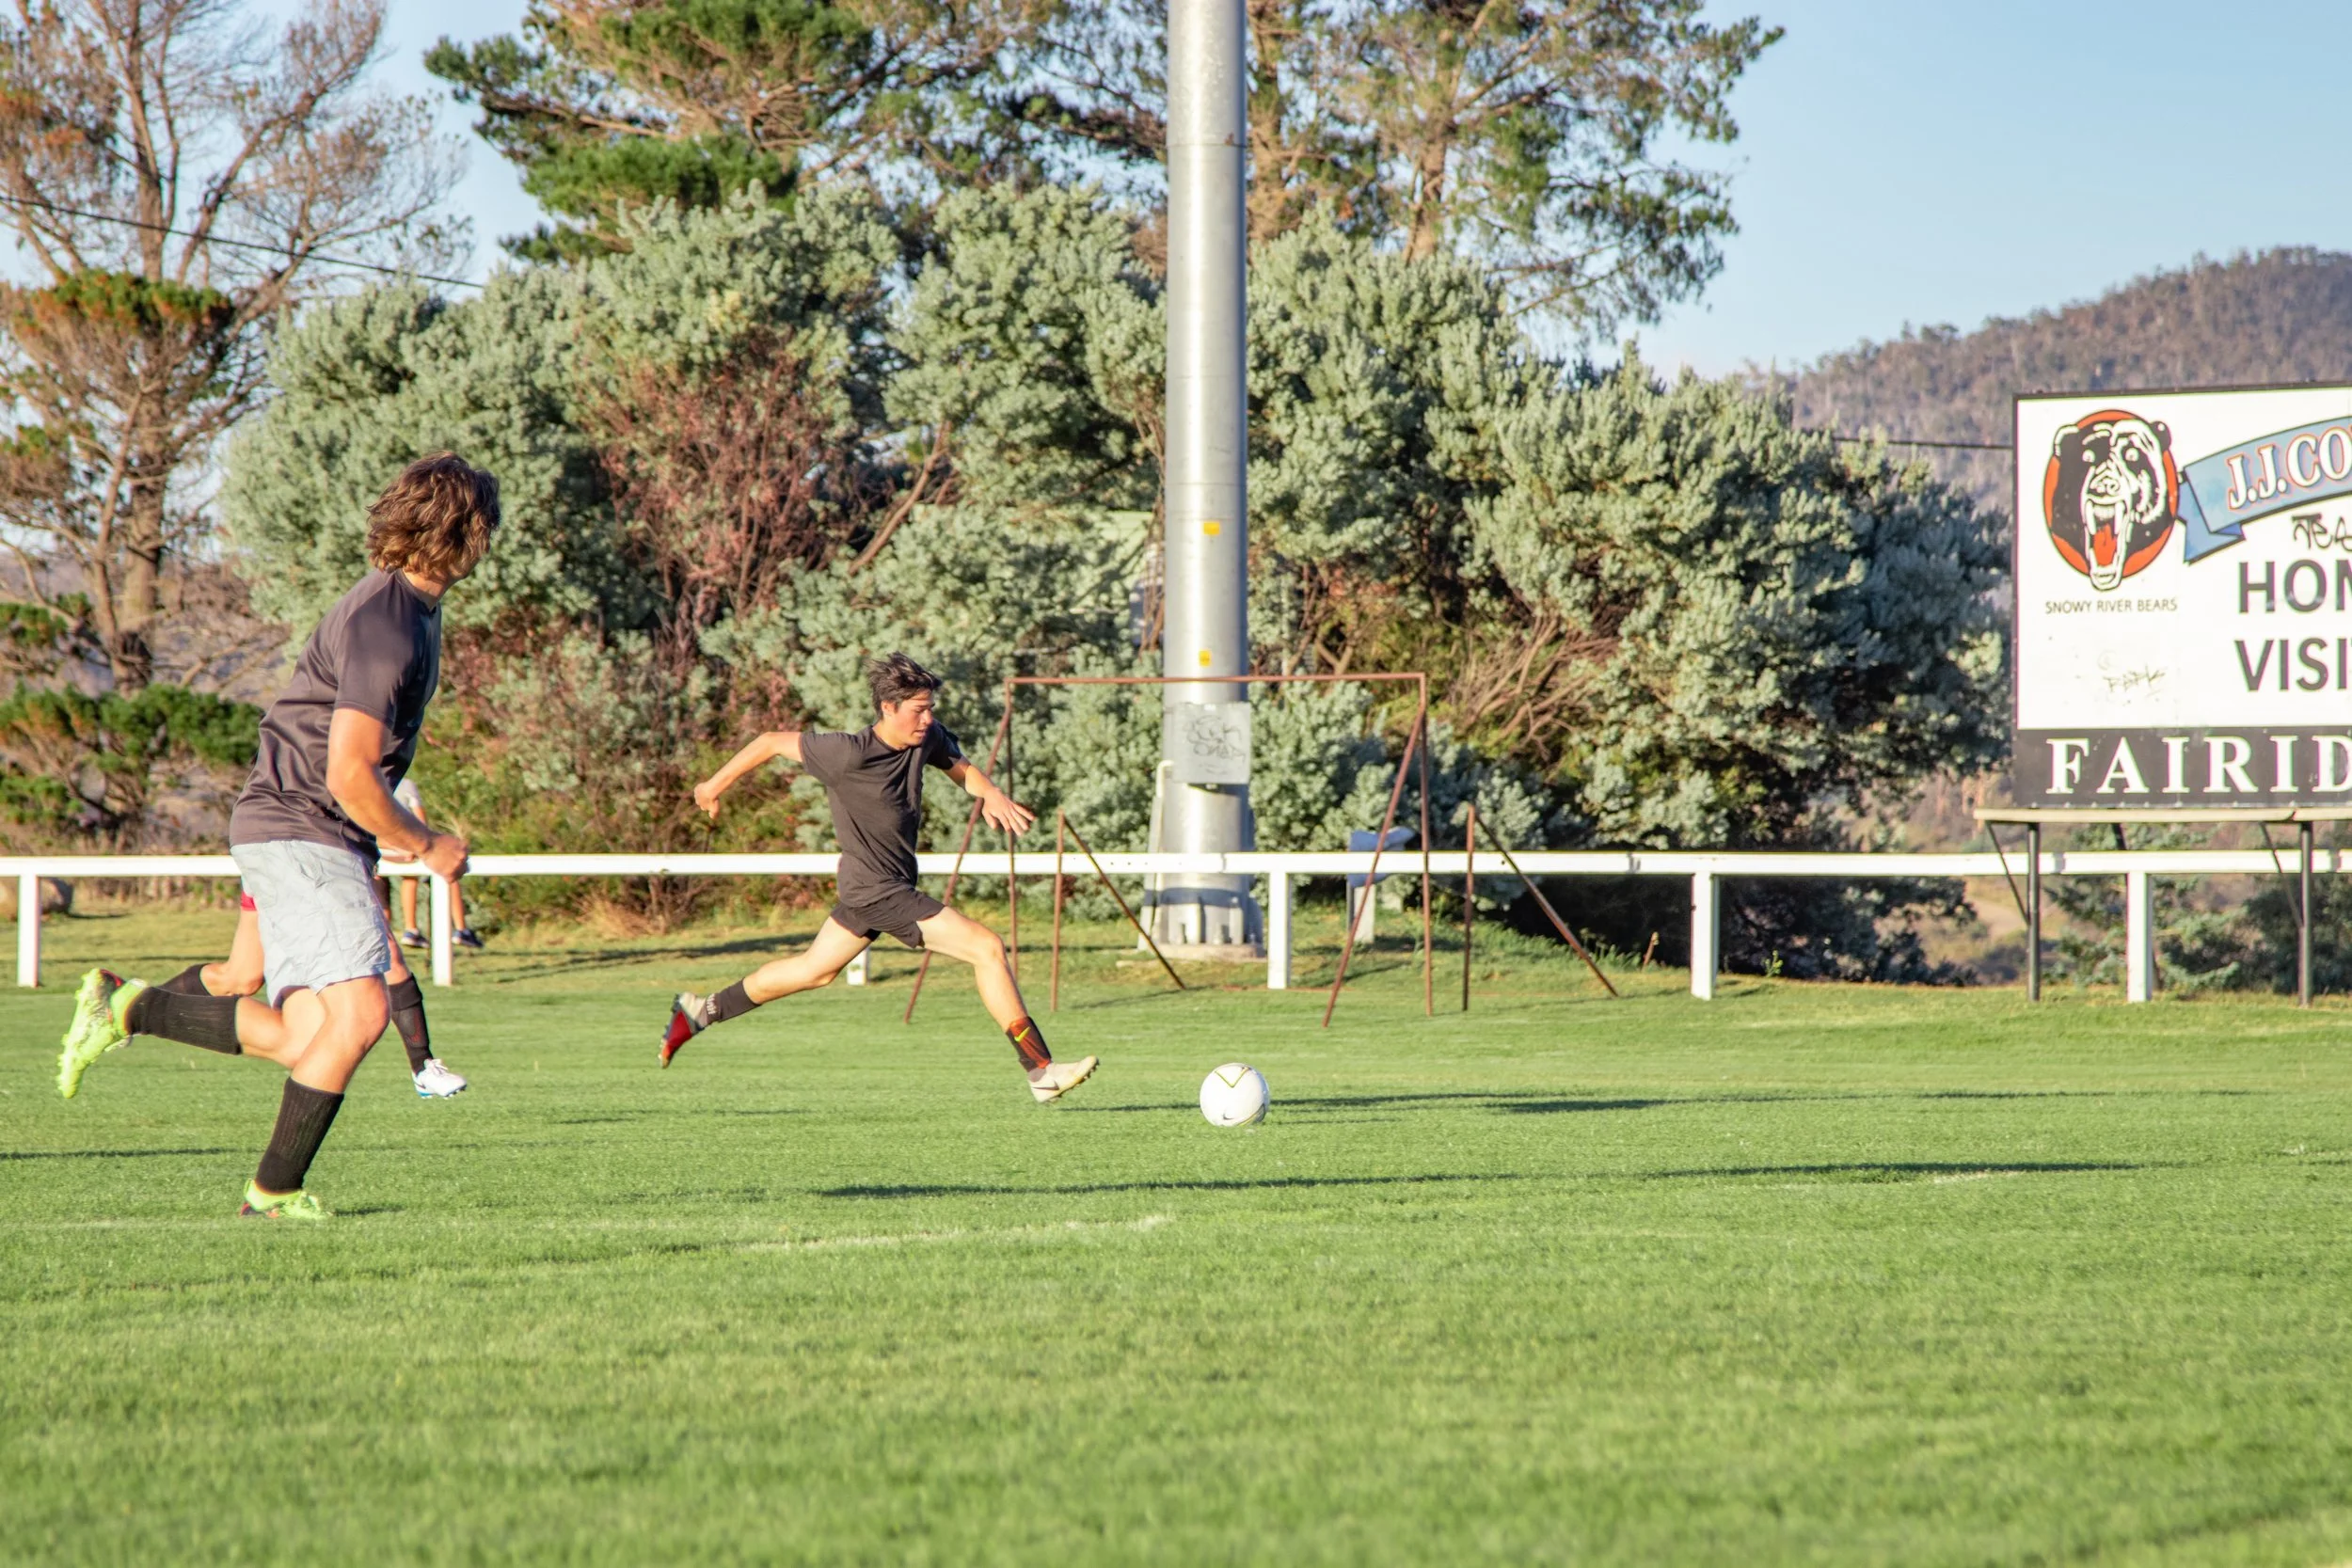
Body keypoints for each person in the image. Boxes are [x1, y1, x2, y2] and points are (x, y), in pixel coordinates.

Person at [56, 452, 500, 1220]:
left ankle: (128, 1004)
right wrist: (426, 844)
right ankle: (272, 1192)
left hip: (295, 829)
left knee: (305, 1036)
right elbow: (350, 775)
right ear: (467, 529)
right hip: (305, 827)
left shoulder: (405, 609)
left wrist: (382, 833)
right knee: (361, 1015)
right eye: (489, 521)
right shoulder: (388, 624)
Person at [660, 652, 1097, 1104]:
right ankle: (1040, 1070)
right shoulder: (846, 753)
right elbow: (769, 740)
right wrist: (711, 787)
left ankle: (700, 1011)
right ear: (888, 708)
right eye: (918, 710)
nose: (928, 718)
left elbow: (960, 767)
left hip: (880, 885)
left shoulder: (925, 738)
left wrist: (991, 793)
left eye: (930, 708)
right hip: (877, 891)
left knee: (815, 971)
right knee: (986, 947)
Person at [150, 883, 469, 1099]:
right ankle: (136, 1005)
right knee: (241, 979)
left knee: (241, 977)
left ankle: (422, 1065)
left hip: (308, 857)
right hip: (295, 858)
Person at [387, 775, 481, 951]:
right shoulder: (406, 784)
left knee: (408, 879)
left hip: (376, 846)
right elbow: (420, 822)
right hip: (403, 845)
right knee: (448, 872)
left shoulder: (373, 779)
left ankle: (410, 928)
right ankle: (461, 928)